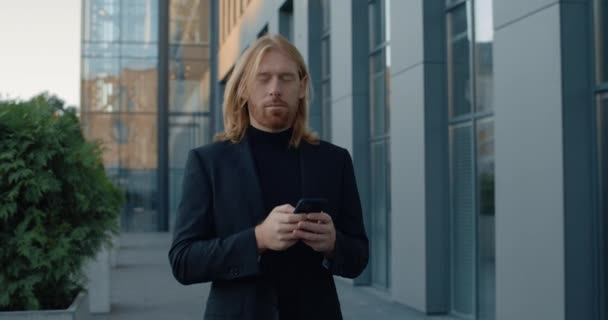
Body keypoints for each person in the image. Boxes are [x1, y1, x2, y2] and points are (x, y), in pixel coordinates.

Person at [169, 33, 368, 320]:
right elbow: (183, 261)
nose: (274, 88)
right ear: (243, 89)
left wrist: (334, 243)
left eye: (285, 78)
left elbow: (358, 257)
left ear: (302, 86)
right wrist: (258, 238)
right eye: (263, 78)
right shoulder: (208, 162)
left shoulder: (334, 161)